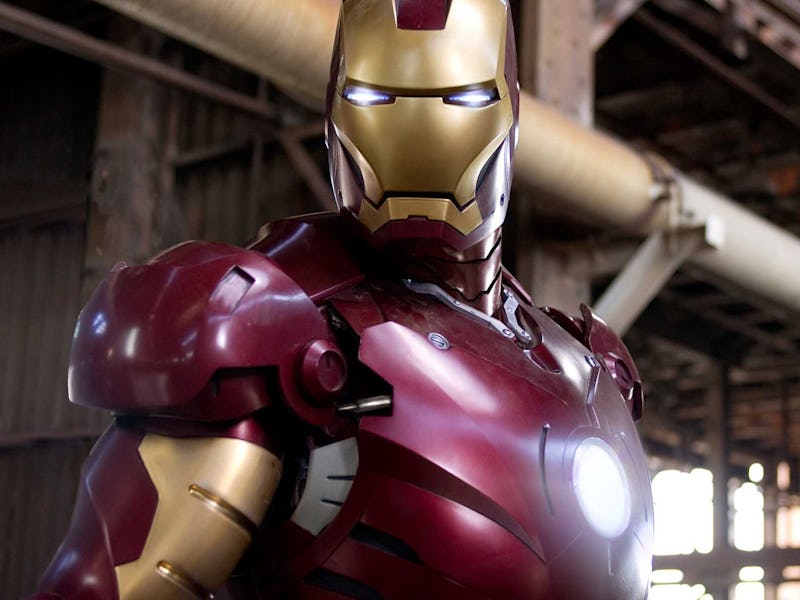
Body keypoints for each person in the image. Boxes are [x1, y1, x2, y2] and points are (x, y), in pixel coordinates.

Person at [31, 0, 653, 598]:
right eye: (375, 98)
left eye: (463, 99)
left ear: (507, 109)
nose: (420, 130)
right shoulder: (259, 320)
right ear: (335, 107)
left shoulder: (583, 361)